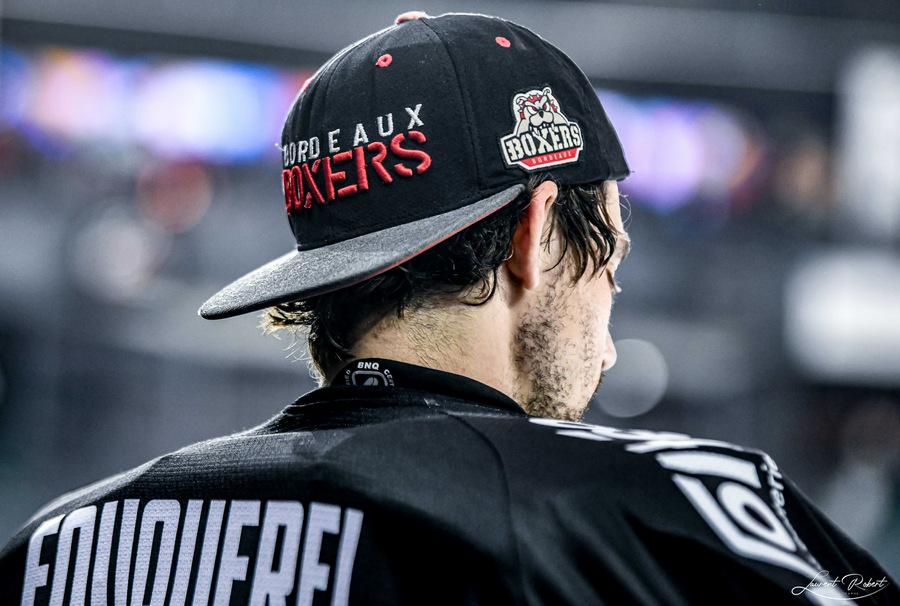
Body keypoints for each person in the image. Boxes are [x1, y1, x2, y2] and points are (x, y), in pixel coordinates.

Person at [1, 11, 897, 606]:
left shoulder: (58, 547)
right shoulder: (669, 514)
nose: (610, 343)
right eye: (611, 259)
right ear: (535, 236)